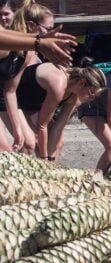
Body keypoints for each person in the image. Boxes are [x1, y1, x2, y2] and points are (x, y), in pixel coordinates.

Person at [5, 61, 106, 161]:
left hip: (31, 106)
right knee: (28, 143)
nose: (92, 98)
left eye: (95, 96)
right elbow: (42, 126)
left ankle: (50, 173)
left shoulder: (75, 97)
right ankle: (17, 174)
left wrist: (50, 160)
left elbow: (57, 129)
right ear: (82, 82)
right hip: (12, 98)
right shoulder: (59, 85)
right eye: (92, 93)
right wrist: (44, 158)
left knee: (58, 142)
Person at [1, 0, 57, 153]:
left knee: (28, 144)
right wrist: (40, 43)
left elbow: (10, 90)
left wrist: (17, 128)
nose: (52, 33)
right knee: (3, 149)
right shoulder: (7, 45)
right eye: (48, 29)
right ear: (31, 26)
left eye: (6, 14)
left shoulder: (27, 52)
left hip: (5, 97)